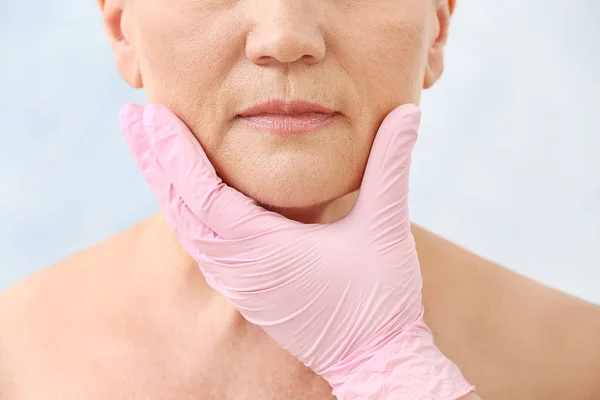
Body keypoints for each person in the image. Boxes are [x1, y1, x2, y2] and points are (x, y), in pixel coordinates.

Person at [0, 0, 599, 398]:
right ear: (120, 26)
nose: (285, 38)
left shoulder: (580, 363)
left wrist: (388, 366)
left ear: (437, 27)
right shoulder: (14, 360)